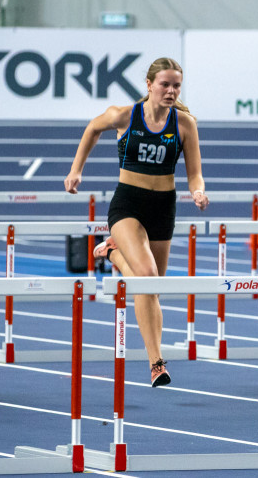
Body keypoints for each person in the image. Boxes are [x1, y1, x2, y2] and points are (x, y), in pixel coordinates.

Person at [64, 57, 208, 387]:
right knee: (146, 277)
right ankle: (156, 363)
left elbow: (195, 173)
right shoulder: (125, 116)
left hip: (163, 207)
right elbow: (92, 129)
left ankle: (114, 255)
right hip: (128, 203)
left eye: (176, 86)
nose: (171, 91)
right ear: (149, 84)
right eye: (165, 84)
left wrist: (198, 192)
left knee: (152, 288)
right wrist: (76, 170)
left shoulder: (184, 124)